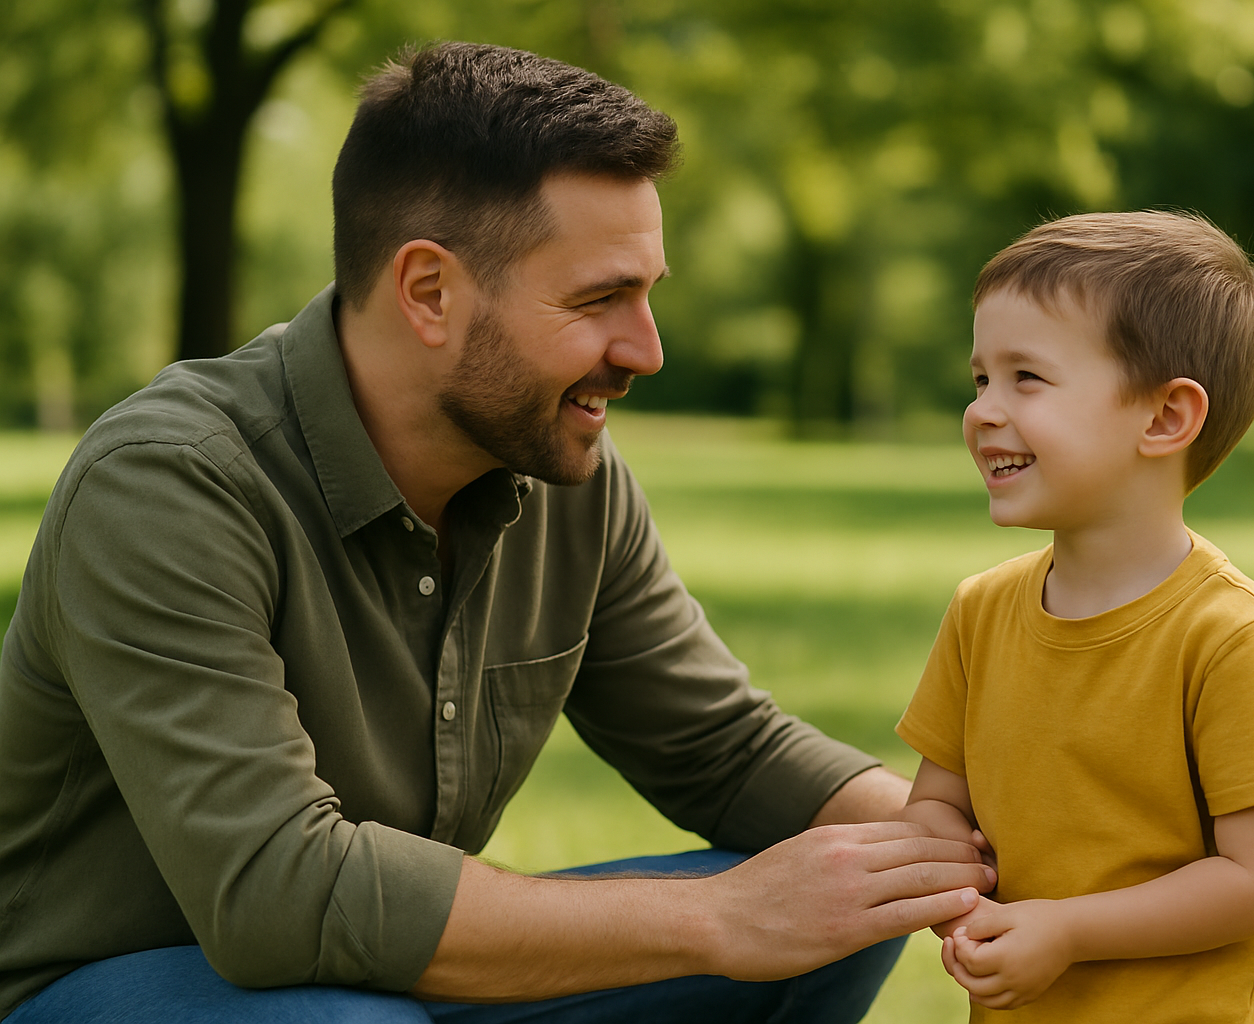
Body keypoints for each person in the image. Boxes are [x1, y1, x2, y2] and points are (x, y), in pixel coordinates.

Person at [0, 43, 995, 1023]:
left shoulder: (566, 477)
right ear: (429, 291)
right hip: (102, 981)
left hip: (376, 970)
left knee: (850, 900)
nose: (646, 349)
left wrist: (991, 848)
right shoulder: (170, 483)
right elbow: (275, 891)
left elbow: (724, 749)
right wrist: (721, 916)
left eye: (649, 293)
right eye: (601, 298)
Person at [894, 211, 1254, 1021]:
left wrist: (1068, 931)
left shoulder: (1231, 637)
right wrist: (950, 880)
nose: (985, 410)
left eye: (1026, 378)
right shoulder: (981, 612)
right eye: (980, 379)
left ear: (1165, 417)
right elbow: (937, 806)